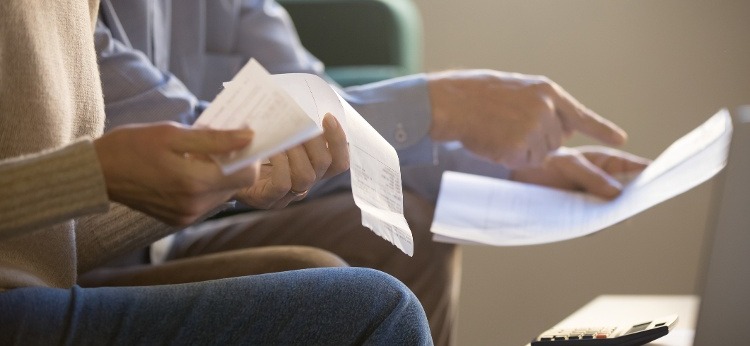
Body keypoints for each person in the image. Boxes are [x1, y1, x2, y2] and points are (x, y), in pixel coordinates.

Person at [82, 1, 652, 345]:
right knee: (335, 285)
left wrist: (507, 166)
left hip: (174, 239)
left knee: (411, 231)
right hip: (85, 250)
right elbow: (190, 146)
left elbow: (316, 110)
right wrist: (441, 104)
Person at [0, 1, 433, 344]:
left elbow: (53, 238)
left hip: (46, 288)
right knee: (375, 311)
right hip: (26, 303)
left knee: (350, 266)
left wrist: (222, 181)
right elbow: (97, 173)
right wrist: (91, 177)